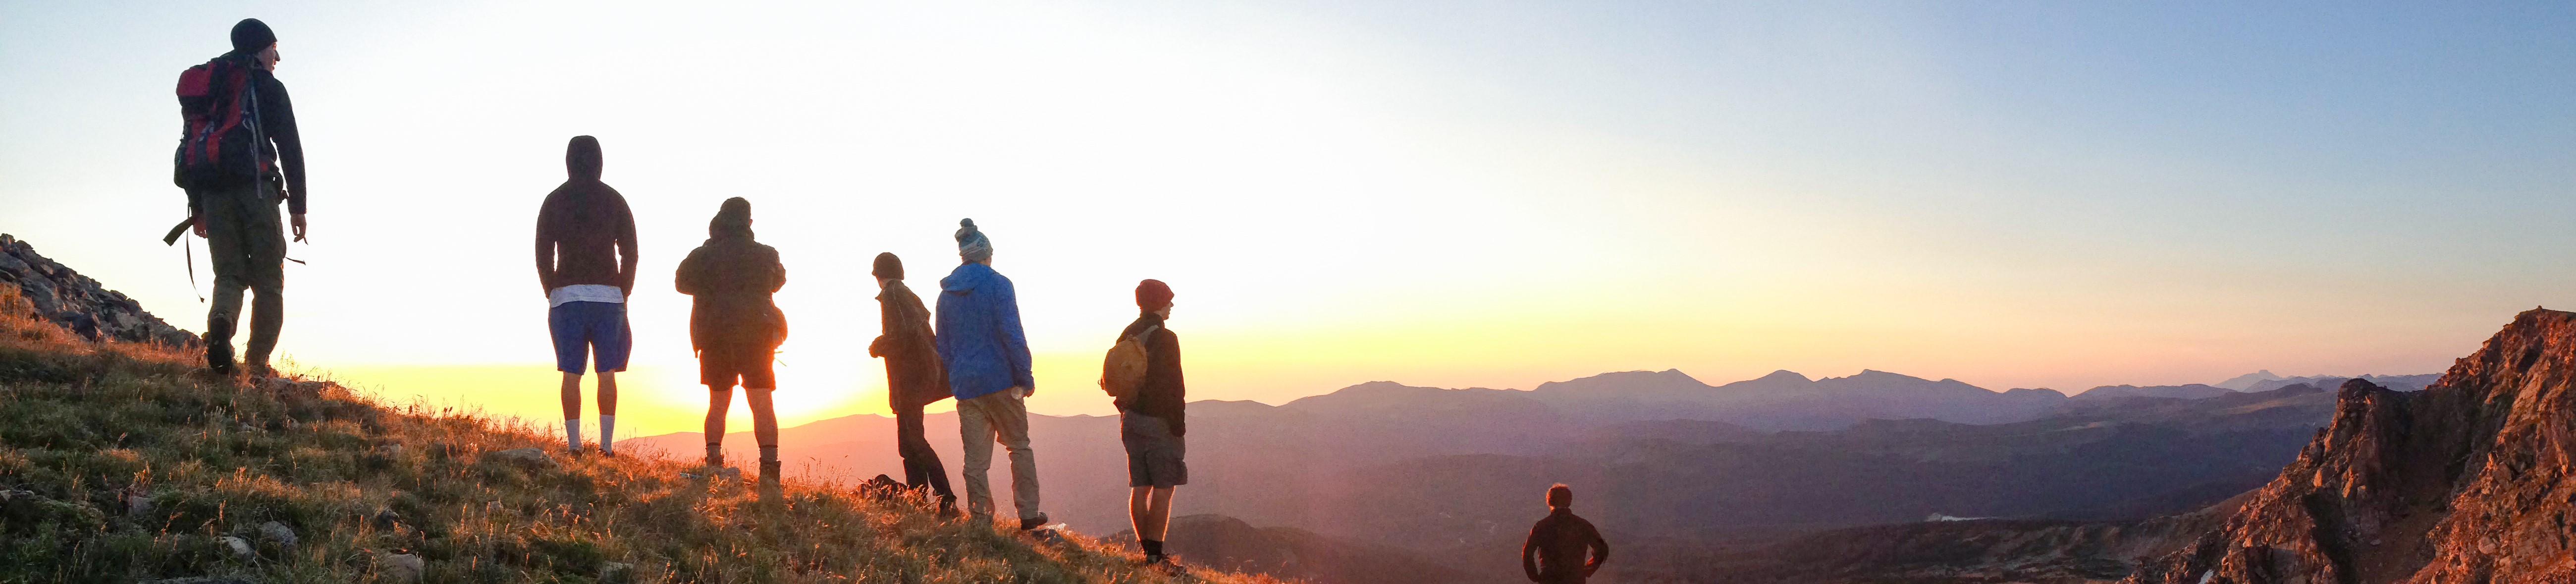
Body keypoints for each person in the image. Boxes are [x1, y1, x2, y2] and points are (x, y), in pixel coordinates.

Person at [191, 18, 308, 378]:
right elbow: (290, 147)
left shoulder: (211, 87)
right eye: (275, 48)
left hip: (213, 195)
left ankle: (222, 323)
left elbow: (194, 147)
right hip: (258, 191)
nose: (278, 56)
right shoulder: (268, 87)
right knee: (269, 280)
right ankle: (257, 362)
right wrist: (298, 207)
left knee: (228, 274)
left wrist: (199, 208)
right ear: (261, 49)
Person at [933, 219, 1048, 530]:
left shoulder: (946, 296)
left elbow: (942, 345)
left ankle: (981, 519)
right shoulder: (999, 285)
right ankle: (1028, 515)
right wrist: (1025, 376)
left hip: (967, 387)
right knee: (1019, 446)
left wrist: (957, 375)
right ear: (985, 254)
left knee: (975, 460)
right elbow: (1012, 333)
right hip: (1002, 381)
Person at [534, 135, 637, 457]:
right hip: (608, 296)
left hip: (566, 296)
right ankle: (606, 447)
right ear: (599, 161)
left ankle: (575, 445)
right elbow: (631, 252)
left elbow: (542, 251)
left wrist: (551, 288)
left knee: (571, 372)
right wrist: (624, 290)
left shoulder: (554, 200)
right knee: (606, 373)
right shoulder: (615, 200)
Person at [676, 197, 788, 488]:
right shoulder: (765, 254)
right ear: (750, 223)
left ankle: (714, 463)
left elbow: (681, 283)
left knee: (718, 401)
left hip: (715, 337)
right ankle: (769, 473)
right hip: (757, 337)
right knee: (762, 404)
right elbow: (778, 282)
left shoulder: (704, 254)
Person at [866, 252, 957, 515]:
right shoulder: (905, 294)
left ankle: (946, 500)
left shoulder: (893, 295)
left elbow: (902, 337)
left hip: (909, 380)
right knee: (909, 443)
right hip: (920, 379)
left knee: (914, 441)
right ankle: (917, 498)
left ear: (878, 275)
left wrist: (879, 345)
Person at [1118, 279, 1187, 564]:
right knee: (1164, 487)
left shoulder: (1127, 334)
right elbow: (1174, 386)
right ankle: (1155, 555)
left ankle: (1148, 552)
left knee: (1140, 485)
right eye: (1168, 300)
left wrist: (1125, 409)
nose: (1172, 305)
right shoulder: (1166, 338)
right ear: (1159, 303)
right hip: (1159, 421)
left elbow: (1118, 378)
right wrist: (1178, 425)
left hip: (1131, 419)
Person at [1521, 484, 1610, 584]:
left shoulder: (1541, 526)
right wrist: (1588, 570)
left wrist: (1535, 577)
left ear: (1549, 502)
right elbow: (1602, 548)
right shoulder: (1582, 525)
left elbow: (1527, 553)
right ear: (1569, 501)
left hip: (1549, 579)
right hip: (1575, 579)